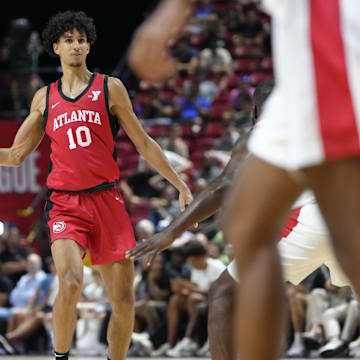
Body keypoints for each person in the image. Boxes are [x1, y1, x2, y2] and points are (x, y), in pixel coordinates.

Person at [129, 1, 360, 359]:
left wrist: (171, 231)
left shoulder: (268, 121)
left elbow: (225, 185)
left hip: (314, 211)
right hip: (326, 200)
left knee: (228, 283)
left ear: (253, 112)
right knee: (249, 226)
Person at [0, 10, 193, 360]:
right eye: (69, 40)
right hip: (65, 204)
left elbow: (144, 143)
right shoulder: (44, 98)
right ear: (55, 47)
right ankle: (61, 356)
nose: (76, 45)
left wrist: (179, 184)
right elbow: (14, 156)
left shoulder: (110, 87)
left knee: (123, 301)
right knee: (70, 283)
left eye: (81, 39)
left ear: (88, 45)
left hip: (107, 200)